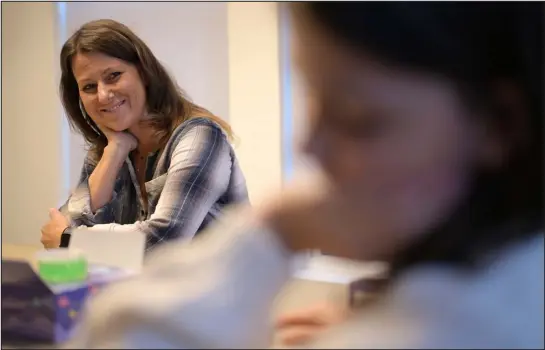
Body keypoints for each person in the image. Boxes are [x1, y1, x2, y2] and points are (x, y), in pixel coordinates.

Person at [69, 3, 543, 348]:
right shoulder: (111, 147)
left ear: (499, 124)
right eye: (312, 95)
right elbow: (72, 224)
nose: (306, 146)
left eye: (358, 117)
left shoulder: (198, 135)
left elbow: (123, 300)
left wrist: (270, 229)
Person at [40, 19, 249, 251]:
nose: (103, 95)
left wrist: (71, 240)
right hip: (153, 286)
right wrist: (114, 153)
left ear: (145, 73)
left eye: (113, 76)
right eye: (89, 87)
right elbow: (61, 227)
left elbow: (163, 241)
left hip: (223, 286)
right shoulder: (108, 149)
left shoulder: (199, 136)